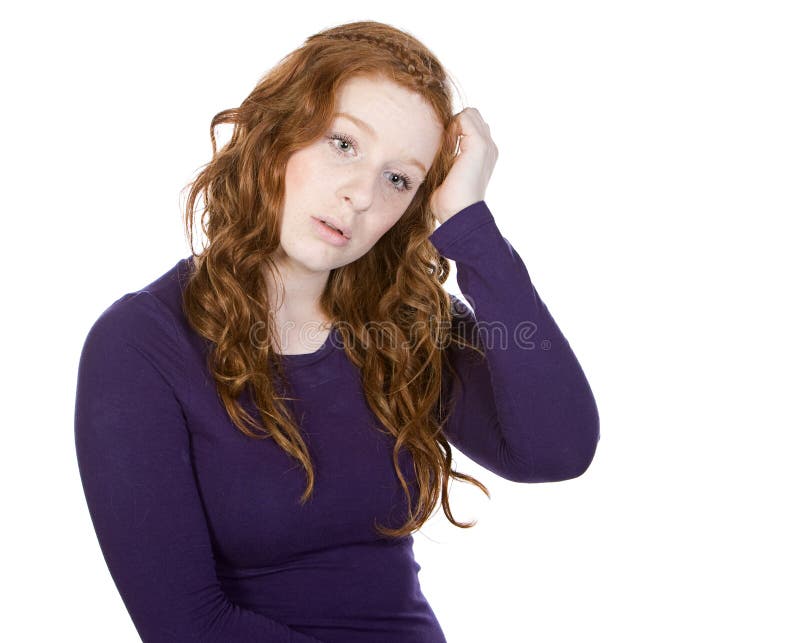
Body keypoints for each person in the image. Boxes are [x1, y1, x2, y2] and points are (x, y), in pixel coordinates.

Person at [74, 19, 600, 643]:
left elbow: (556, 450)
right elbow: (187, 627)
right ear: (278, 132)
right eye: (343, 143)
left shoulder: (404, 323)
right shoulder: (140, 345)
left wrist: (471, 226)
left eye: (398, 179)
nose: (361, 195)